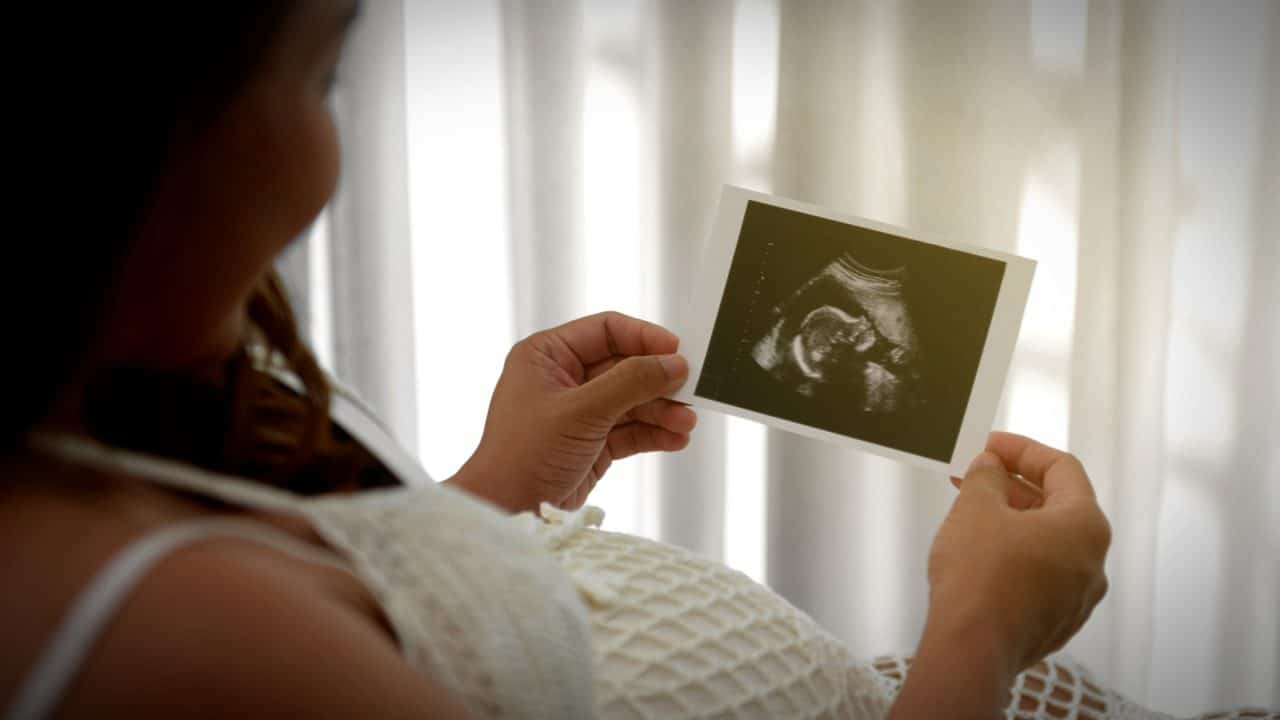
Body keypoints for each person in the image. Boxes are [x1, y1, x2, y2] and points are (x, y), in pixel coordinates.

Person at [2, 2, 1126, 718]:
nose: (326, 149)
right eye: (322, 78)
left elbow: (370, 620)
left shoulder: (66, 470)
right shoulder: (175, 640)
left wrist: (496, 490)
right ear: (123, 135)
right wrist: (981, 628)